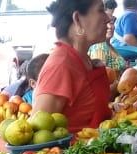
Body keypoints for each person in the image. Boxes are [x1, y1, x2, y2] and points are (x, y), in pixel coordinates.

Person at [34, 0, 112, 133]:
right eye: (100, 10)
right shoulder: (60, 65)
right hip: (75, 153)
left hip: (98, 150)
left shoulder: (82, 59)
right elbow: (37, 134)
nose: (108, 18)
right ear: (77, 19)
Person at [89, 8, 128, 75]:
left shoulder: (109, 45)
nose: (109, 26)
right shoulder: (99, 47)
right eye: (104, 23)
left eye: (111, 23)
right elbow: (102, 76)